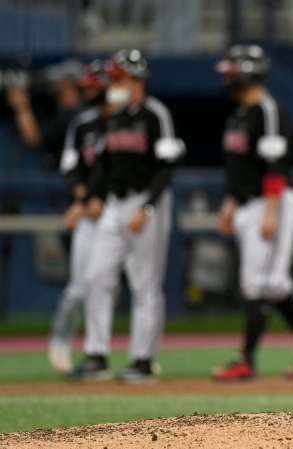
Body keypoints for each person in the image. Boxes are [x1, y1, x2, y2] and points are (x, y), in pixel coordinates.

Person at [69, 49, 185, 383]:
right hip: (114, 205)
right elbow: (103, 166)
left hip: (146, 203)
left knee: (144, 283)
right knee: (95, 276)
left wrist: (146, 206)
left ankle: (143, 359)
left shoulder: (155, 114)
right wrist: (90, 198)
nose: (112, 83)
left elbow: (167, 167)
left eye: (118, 78)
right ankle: (96, 354)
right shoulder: (114, 116)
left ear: (136, 80)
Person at [211, 44, 293, 381]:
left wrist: (271, 211)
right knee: (273, 285)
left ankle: (245, 358)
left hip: (270, 202)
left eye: (232, 71)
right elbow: (239, 169)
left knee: (260, 284)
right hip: (248, 203)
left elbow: (276, 164)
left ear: (248, 71)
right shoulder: (239, 113)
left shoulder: (267, 109)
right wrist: (230, 205)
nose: (227, 77)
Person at [48, 60, 110, 373]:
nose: (91, 92)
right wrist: (81, 198)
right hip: (90, 212)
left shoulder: (124, 122)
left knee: (120, 286)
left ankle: (107, 354)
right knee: (80, 286)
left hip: (119, 210)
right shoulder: (83, 123)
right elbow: (71, 166)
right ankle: (60, 341)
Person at [4, 58, 87, 170]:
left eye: (61, 79)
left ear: (70, 83)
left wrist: (21, 107)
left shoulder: (72, 116)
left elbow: (34, 138)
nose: (56, 83)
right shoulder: (76, 111)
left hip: (75, 177)